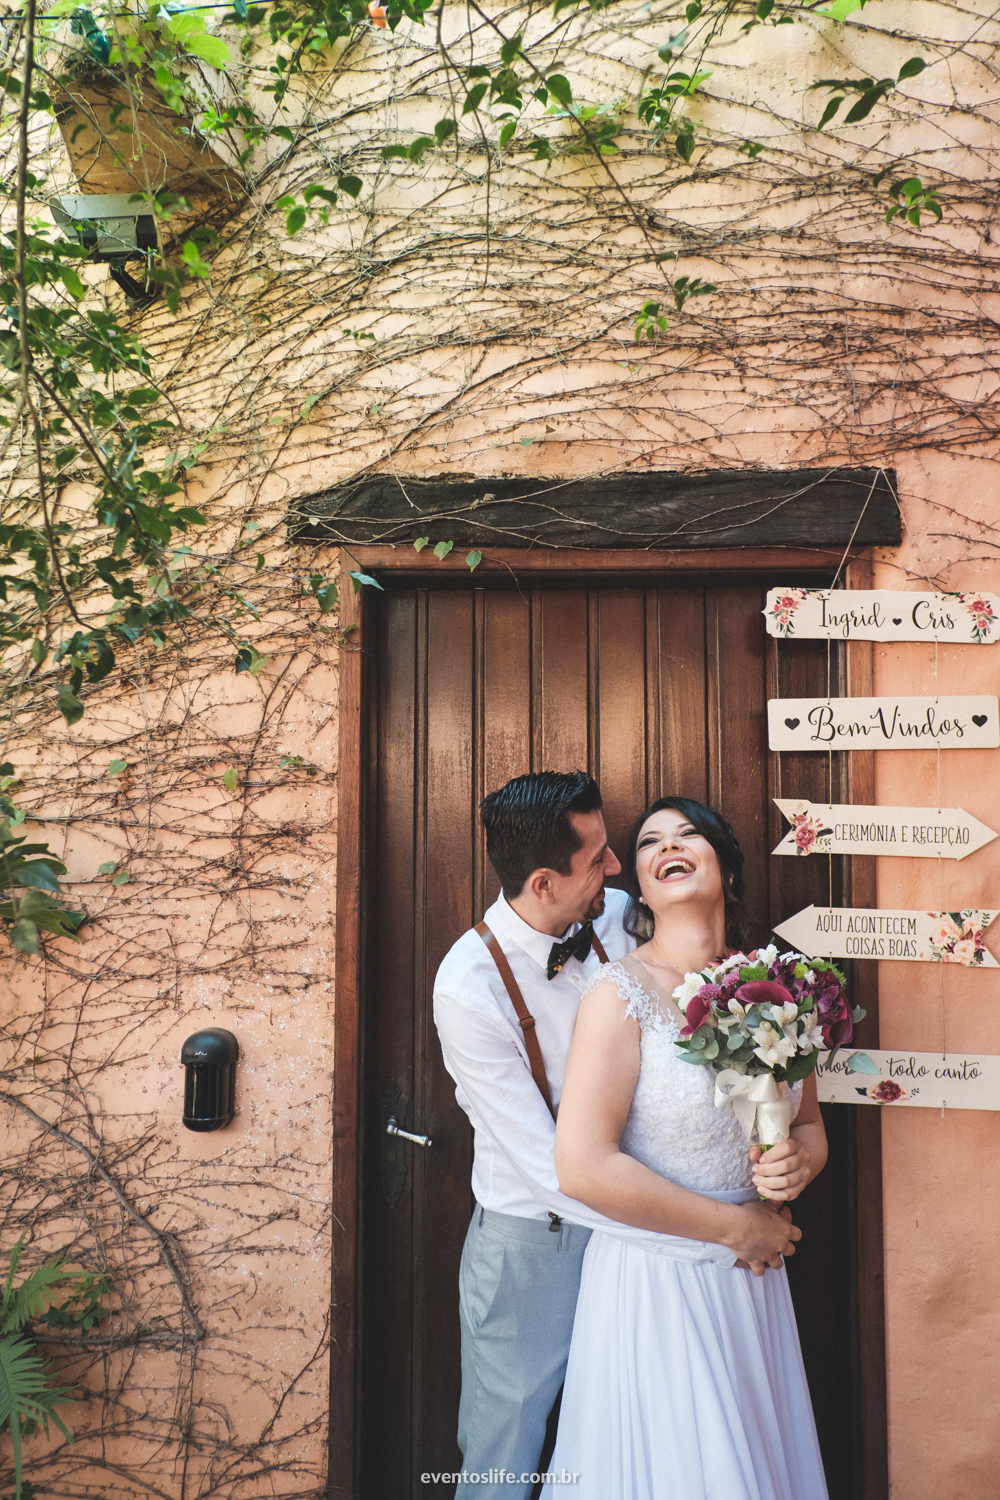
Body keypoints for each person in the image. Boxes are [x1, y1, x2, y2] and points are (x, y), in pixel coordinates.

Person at [433, 776, 801, 1500]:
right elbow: (553, 1168)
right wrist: (721, 1233)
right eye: (599, 857)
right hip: (536, 1237)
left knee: (651, 1436)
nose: (615, 867)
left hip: (657, 1230)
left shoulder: (620, 912)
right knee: (507, 1442)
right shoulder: (467, 989)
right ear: (544, 883)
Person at [541, 796, 829, 1500]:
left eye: (688, 834)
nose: (668, 845)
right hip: (659, 1283)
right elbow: (582, 1167)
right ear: (639, 887)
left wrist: (799, 1164)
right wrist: (736, 1228)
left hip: (753, 1284)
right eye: (649, 842)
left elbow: (809, 1127)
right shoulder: (619, 995)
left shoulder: (780, 988)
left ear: (724, 866)